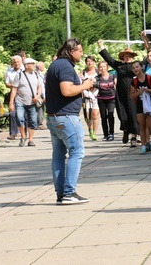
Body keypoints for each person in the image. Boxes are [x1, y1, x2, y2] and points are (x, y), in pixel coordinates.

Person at [46, 38, 96, 205]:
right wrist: (85, 85)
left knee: (58, 155)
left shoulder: (55, 64)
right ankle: (69, 192)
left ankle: (61, 193)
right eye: (80, 51)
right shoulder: (66, 66)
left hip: (54, 117)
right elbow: (66, 90)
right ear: (72, 51)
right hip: (66, 117)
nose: (82, 54)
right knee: (77, 152)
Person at [98, 42, 139, 146]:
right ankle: (126, 131)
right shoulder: (119, 66)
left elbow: (147, 61)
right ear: (123, 57)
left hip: (133, 95)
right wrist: (101, 46)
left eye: (129, 56)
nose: (128, 57)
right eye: (126, 56)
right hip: (121, 95)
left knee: (133, 116)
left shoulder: (136, 66)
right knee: (123, 116)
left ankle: (133, 137)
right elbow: (109, 59)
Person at [9, 57, 42, 147]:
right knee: (19, 118)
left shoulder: (36, 75)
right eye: (32, 64)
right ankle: (23, 136)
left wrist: (38, 95)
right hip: (20, 101)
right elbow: (14, 89)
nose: (34, 65)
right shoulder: (19, 75)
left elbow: (40, 87)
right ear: (27, 66)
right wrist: (11, 103)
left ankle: (31, 140)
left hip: (32, 102)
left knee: (33, 121)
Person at [130, 60, 151, 153]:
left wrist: (148, 90)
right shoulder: (134, 81)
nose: (135, 69)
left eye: (137, 67)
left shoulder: (149, 78)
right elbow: (131, 95)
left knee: (150, 125)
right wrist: (139, 93)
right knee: (142, 126)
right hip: (140, 104)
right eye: (133, 68)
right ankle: (143, 145)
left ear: (141, 67)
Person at [96, 60, 117, 141]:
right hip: (101, 99)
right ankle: (106, 135)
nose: (102, 68)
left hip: (111, 98)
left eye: (104, 66)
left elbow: (116, 85)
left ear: (107, 67)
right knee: (103, 117)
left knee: (110, 115)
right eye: (101, 67)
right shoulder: (97, 78)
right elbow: (92, 85)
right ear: (98, 68)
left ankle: (111, 133)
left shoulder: (112, 75)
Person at [81, 56, 100, 141]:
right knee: (88, 115)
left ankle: (94, 133)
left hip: (96, 95)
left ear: (94, 62)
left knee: (95, 115)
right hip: (86, 95)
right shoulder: (83, 72)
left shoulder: (97, 71)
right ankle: (90, 128)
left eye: (91, 61)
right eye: (88, 61)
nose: (90, 63)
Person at [5, 55, 22, 140]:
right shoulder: (9, 72)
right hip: (13, 94)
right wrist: (14, 86)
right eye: (14, 62)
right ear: (12, 63)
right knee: (12, 113)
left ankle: (23, 132)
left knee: (23, 114)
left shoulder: (24, 71)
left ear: (21, 62)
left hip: (23, 94)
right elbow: (7, 84)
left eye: (18, 62)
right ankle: (13, 133)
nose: (16, 64)